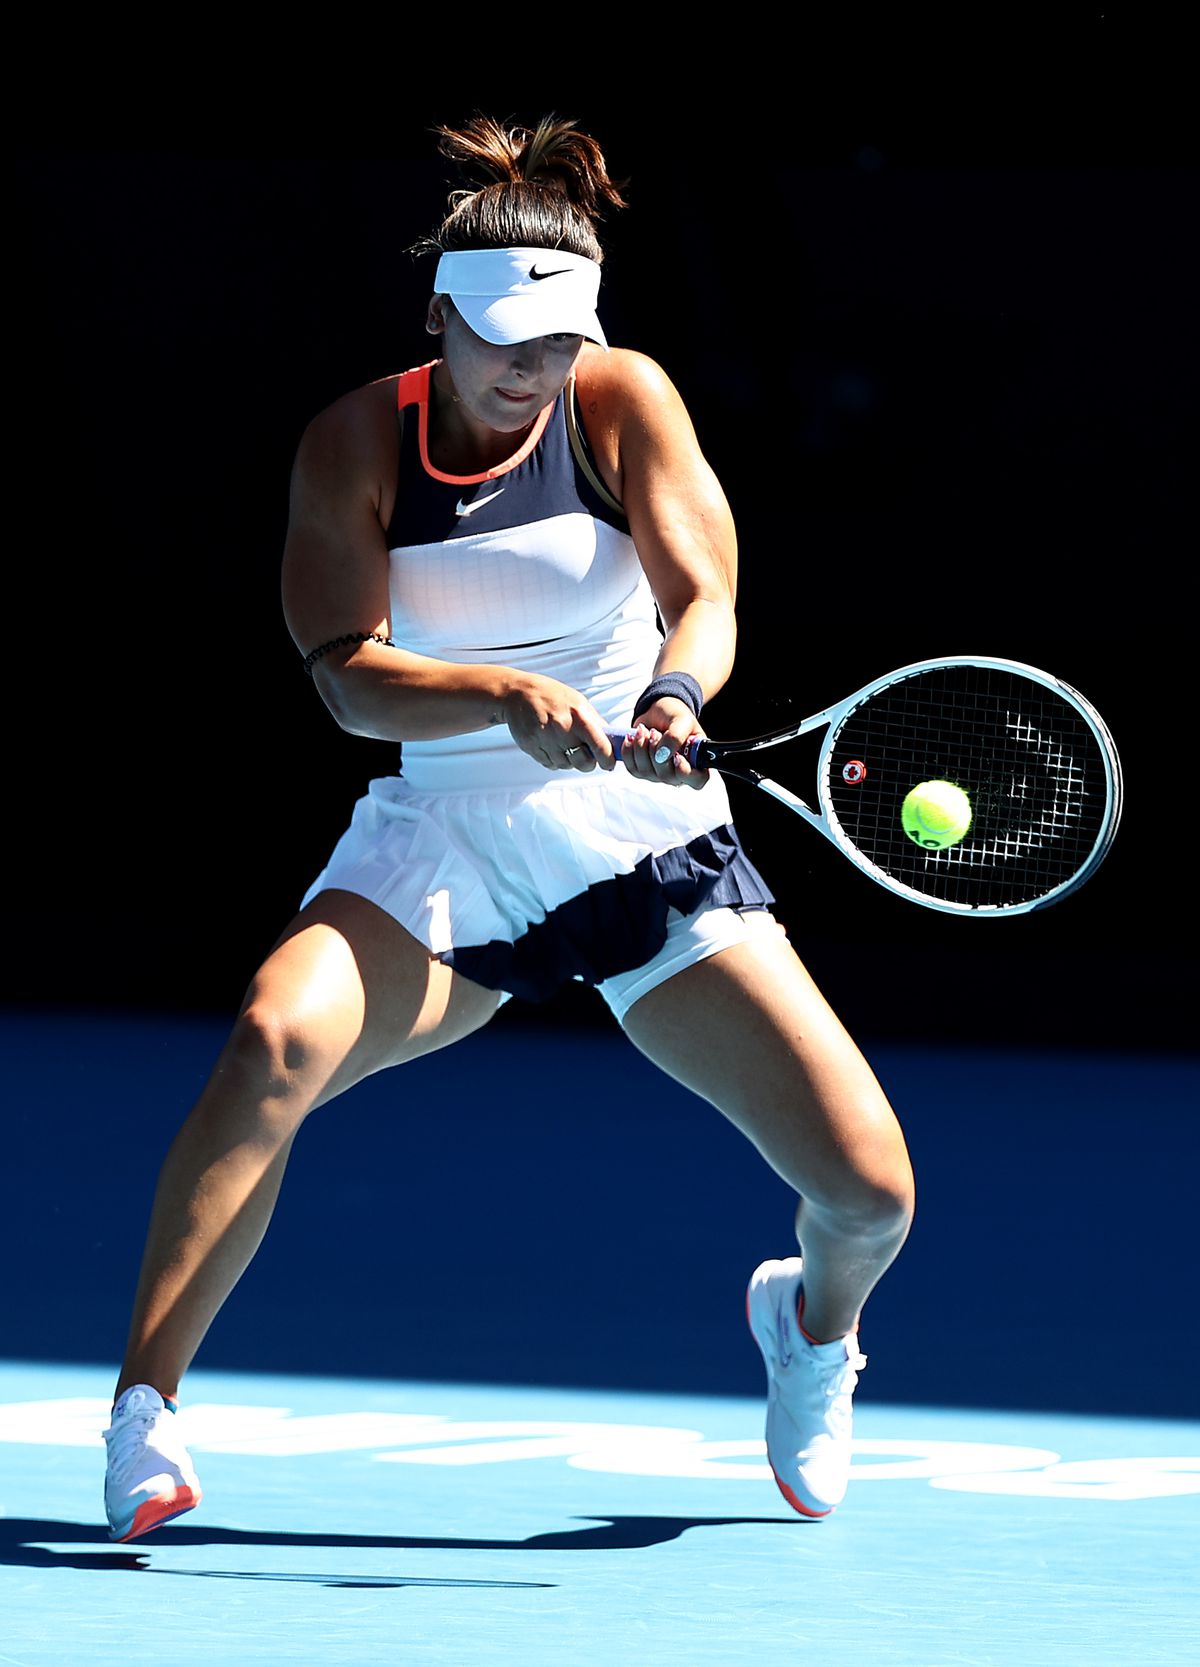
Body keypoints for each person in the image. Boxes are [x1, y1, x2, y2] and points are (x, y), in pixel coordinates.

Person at [101, 114, 915, 1542]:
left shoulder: (621, 398)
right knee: (274, 1042)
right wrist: (496, 696)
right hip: (442, 847)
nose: (531, 367)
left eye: (555, 340)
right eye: (500, 342)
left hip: (638, 842)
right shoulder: (355, 441)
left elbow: (706, 597)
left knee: (870, 1196)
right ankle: (144, 1413)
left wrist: (670, 693)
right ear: (439, 320)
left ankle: (812, 1327)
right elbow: (347, 677)